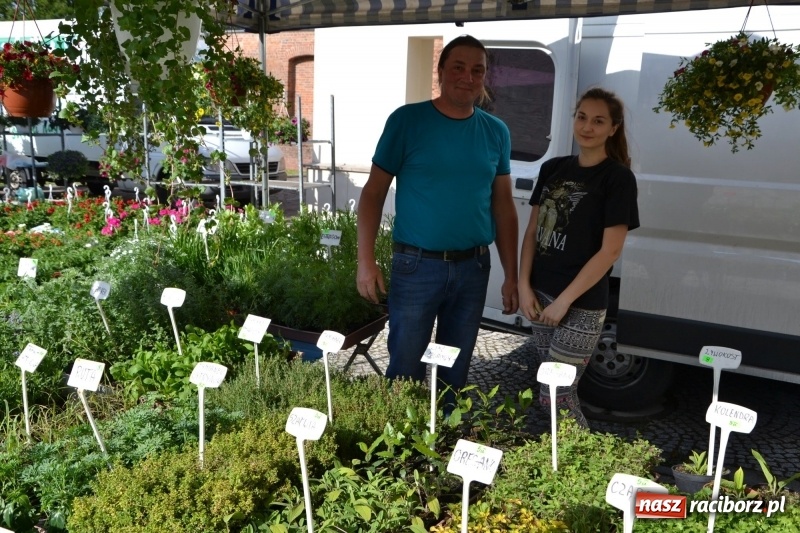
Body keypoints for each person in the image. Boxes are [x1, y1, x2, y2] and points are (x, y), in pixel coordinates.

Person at [356, 35, 519, 404]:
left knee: (454, 372)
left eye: (478, 70)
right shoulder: (407, 121)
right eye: (458, 67)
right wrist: (365, 261)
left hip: (474, 268)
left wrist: (511, 275)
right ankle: (399, 454)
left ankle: (443, 446)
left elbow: (504, 206)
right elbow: (372, 193)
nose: (468, 76)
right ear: (441, 71)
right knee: (404, 368)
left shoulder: (496, 132)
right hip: (416, 266)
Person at [518, 87, 639, 428]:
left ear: (613, 128)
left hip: (581, 304)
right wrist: (525, 286)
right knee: (547, 382)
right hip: (540, 296)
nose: (587, 126)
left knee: (557, 392)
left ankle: (580, 462)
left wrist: (564, 302)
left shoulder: (617, 178)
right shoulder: (553, 168)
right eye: (582, 117)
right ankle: (556, 460)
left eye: (598, 121)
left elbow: (610, 251)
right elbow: (532, 233)